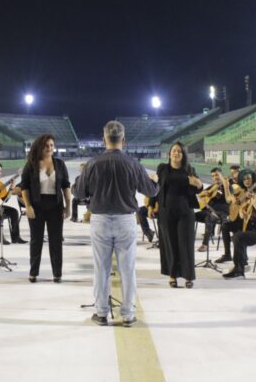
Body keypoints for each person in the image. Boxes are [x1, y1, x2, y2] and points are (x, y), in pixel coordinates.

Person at [74, 120, 158, 327]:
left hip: (100, 219)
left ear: (104, 139)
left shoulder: (93, 164)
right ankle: (128, 314)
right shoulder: (133, 164)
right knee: (127, 269)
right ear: (124, 140)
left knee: (100, 268)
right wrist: (154, 179)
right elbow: (152, 191)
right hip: (126, 219)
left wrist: (82, 176)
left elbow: (78, 192)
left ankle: (101, 313)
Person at [152, 142, 204, 288]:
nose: (176, 153)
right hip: (166, 211)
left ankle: (188, 276)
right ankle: (173, 275)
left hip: (185, 212)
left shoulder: (189, 170)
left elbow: (199, 189)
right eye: (174, 151)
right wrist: (151, 205)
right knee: (170, 244)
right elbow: (155, 188)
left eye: (179, 151)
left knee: (185, 243)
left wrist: (199, 184)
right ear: (169, 154)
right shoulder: (162, 169)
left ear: (183, 155)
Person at [21, 135, 72, 283]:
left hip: (55, 206)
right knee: (36, 240)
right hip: (37, 205)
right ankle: (33, 272)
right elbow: (24, 187)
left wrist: (68, 207)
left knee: (56, 241)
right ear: (40, 147)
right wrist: (28, 206)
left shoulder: (60, 164)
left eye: (51, 145)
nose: (49, 148)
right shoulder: (31, 164)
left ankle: (57, 273)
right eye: (46, 145)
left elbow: (66, 185)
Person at [216, 169, 255, 264]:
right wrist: (225, 186)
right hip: (238, 219)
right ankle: (227, 254)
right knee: (225, 226)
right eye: (245, 179)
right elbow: (228, 200)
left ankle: (243, 257)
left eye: (249, 178)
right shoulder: (240, 190)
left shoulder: (255, 192)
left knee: (239, 231)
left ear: (252, 179)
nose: (247, 181)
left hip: (250, 221)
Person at [195, 167, 229, 252]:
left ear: (222, 175)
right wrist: (203, 193)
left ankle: (205, 244)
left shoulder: (227, 186)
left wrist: (225, 187)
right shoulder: (212, 186)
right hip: (209, 211)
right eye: (213, 176)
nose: (215, 177)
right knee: (190, 215)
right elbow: (199, 195)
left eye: (217, 175)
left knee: (209, 217)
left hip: (221, 213)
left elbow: (229, 200)